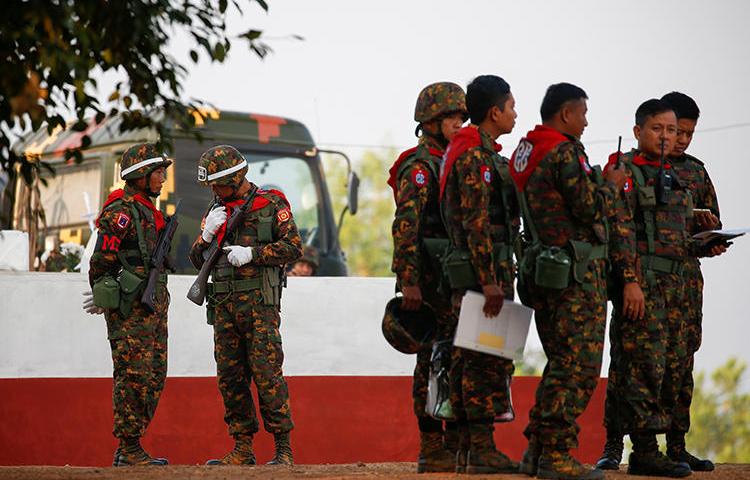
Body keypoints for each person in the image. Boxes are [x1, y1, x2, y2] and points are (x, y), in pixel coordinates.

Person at [509, 83, 626, 480]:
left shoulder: (525, 150)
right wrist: (610, 184)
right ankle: (555, 454)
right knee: (578, 367)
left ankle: (538, 451)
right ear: (565, 114)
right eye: (583, 113)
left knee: (561, 362)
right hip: (574, 276)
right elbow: (590, 207)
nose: (587, 121)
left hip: (544, 269)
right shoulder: (564, 151)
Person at [600, 99, 702, 478]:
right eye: (658, 129)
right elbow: (620, 229)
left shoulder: (680, 176)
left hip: (678, 286)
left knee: (672, 368)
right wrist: (629, 281)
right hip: (643, 284)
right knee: (641, 365)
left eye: (672, 131)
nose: (667, 137)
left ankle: (665, 447)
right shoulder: (624, 170)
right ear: (639, 130)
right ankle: (640, 449)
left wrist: (706, 240)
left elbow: (686, 229)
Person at [189, 145, 302, 466]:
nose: (213, 189)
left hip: (259, 306)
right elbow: (197, 260)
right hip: (223, 306)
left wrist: (254, 254)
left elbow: (294, 246)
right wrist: (206, 235)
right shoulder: (216, 208)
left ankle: (283, 449)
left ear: (236, 177)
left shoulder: (271, 204)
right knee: (230, 377)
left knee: (267, 374)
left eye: (217, 183)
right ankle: (242, 448)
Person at [438, 75, 520, 475]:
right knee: (482, 359)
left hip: (485, 271)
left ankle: (468, 450)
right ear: (495, 112)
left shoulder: (480, 153)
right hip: (481, 274)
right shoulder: (474, 157)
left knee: (475, 357)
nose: (514, 114)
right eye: (511, 107)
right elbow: (476, 222)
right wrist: (489, 280)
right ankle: (480, 449)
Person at [387, 81, 467, 473]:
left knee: (459, 358)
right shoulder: (420, 166)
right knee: (430, 361)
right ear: (431, 120)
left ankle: (456, 442)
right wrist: (409, 280)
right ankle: (432, 444)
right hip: (429, 281)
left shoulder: (455, 159)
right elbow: (406, 226)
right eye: (451, 116)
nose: (458, 122)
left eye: (461, 117)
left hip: (453, 278)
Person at [86, 143, 172, 466]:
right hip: (130, 310)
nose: (162, 178)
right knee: (132, 375)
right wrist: (105, 297)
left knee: (155, 374)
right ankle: (129, 447)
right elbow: (101, 263)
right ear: (140, 176)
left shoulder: (148, 211)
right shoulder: (120, 213)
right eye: (158, 172)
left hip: (154, 305)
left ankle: (129, 445)